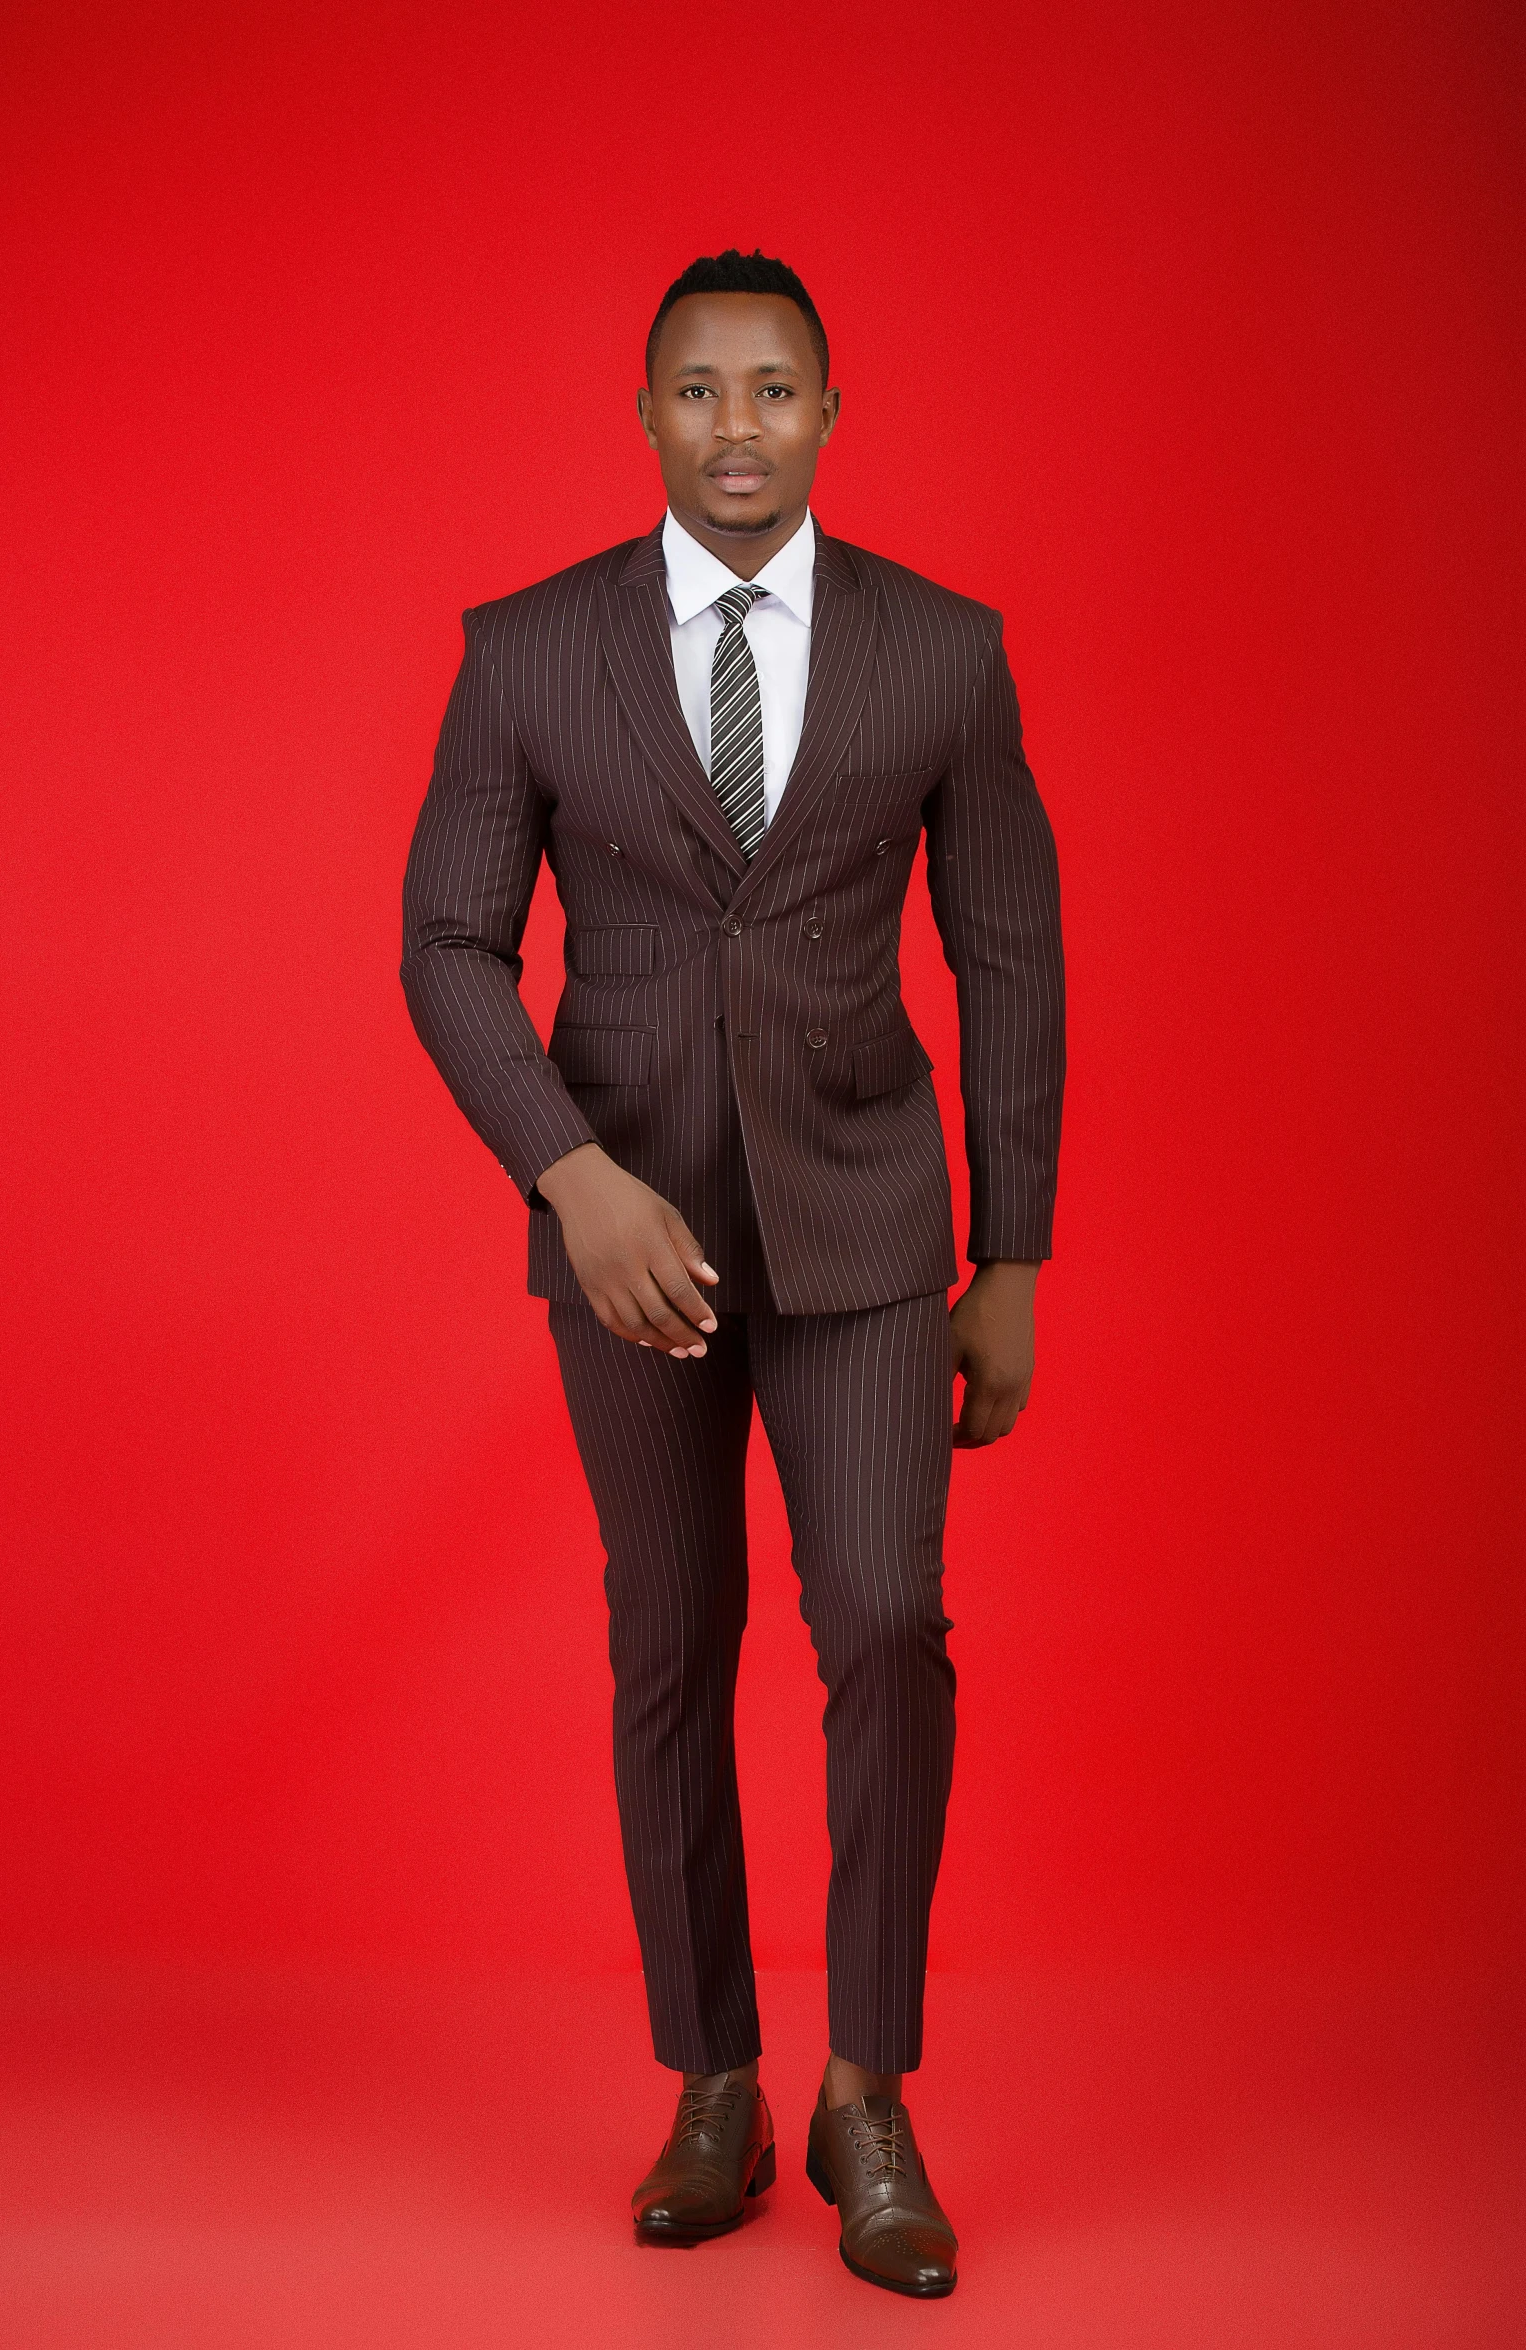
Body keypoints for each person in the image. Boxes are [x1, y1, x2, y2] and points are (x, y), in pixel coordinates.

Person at [400, 248, 1065, 2299]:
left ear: (834, 413)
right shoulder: (527, 651)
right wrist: (572, 1179)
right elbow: (444, 939)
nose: (740, 427)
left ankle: (871, 2085)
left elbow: (1013, 946)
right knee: (668, 1647)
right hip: (636, 1249)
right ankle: (717, 2078)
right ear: (647, 416)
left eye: (777, 390)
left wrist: (1013, 1248)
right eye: (700, 390)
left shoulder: (942, 650)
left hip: (869, 1226)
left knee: (885, 1630)